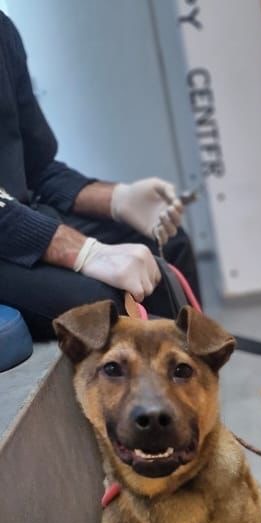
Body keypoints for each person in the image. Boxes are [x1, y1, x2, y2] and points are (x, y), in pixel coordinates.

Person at [0, 12, 201, 340]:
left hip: (19, 221)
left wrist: (119, 200)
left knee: (169, 244)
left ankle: (192, 371)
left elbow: (38, 168)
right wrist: (86, 253)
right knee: (104, 304)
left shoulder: (3, 31)